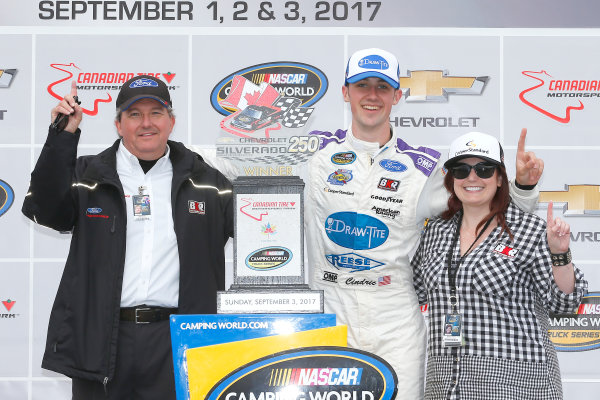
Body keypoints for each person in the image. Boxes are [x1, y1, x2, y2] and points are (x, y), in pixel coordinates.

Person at [305, 48, 544, 398]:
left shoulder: (424, 168)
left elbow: (495, 211)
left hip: (396, 319)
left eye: (383, 87)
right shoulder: (314, 157)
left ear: (397, 96)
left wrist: (522, 187)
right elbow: (239, 172)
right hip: (329, 310)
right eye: (361, 86)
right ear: (345, 92)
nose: (372, 95)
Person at [22, 76, 233, 399]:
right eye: (134, 114)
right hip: (104, 339)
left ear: (171, 122)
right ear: (118, 124)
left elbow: (256, 236)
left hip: (180, 341)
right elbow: (45, 211)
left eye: (156, 113)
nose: (146, 123)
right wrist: (63, 137)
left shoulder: (207, 181)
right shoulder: (87, 175)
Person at [411, 131, 587, 399]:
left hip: (516, 387)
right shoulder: (436, 230)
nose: (472, 177)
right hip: (445, 384)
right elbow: (414, 290)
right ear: (451, 180)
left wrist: (559, 254)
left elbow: (565, 303)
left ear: (500, 177)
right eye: (461, 169)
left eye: (484, 169)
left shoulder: (529, 228)